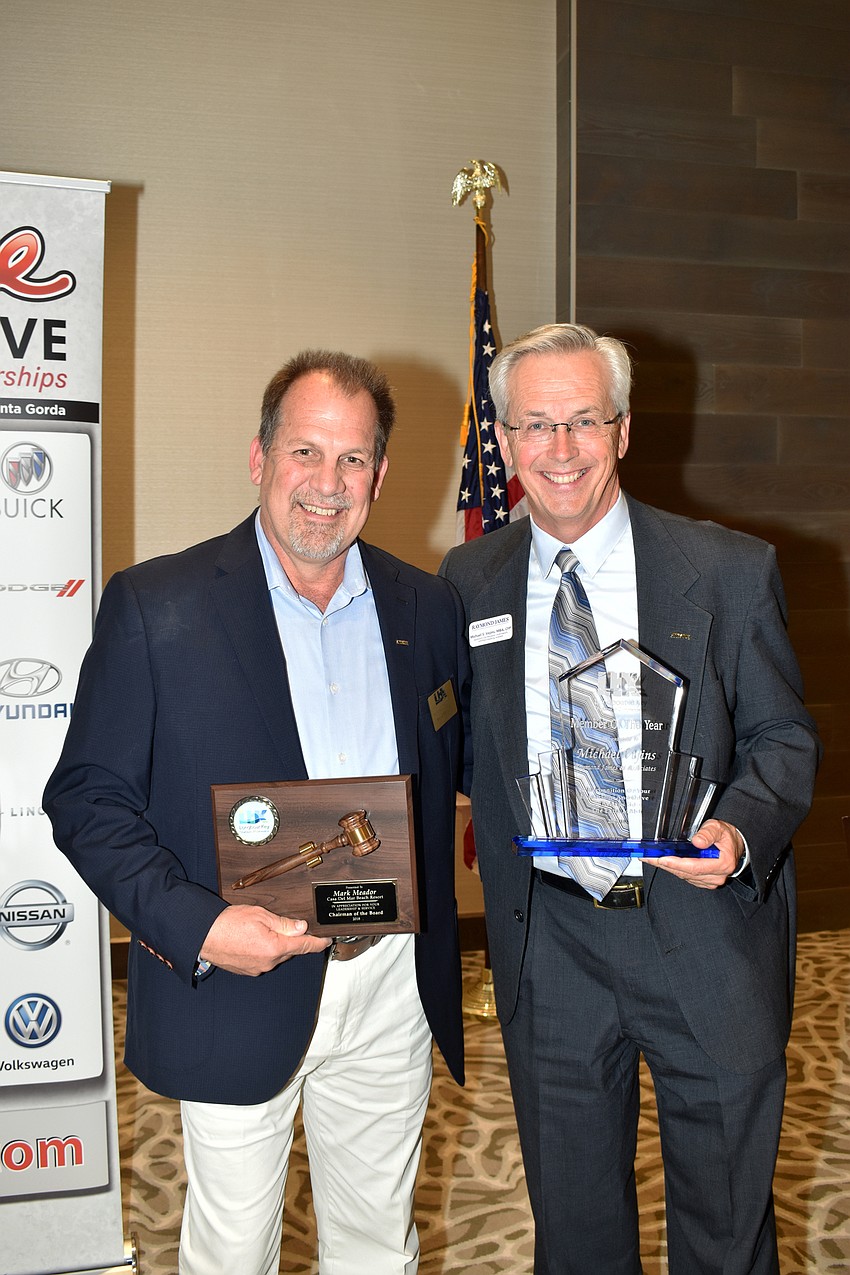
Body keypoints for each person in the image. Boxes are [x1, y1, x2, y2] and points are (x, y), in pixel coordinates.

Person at [44, 350, 470, 1275]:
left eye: (353, 459)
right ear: (258, 458)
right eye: (304, 452)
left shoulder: (426, 607)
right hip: (242, 975)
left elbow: (457, 765)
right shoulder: (158, 606)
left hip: (389, 982)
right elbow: (86, 799)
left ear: (382, 474)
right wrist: (203, 927)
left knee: (376, 1245)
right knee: (234, 1251)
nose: (327, 484)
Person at [440, 323, 819, 1275]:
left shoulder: (729, 570)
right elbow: (443, 746)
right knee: (574, 1235)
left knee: (726, 1227)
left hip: (702, 927)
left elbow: (784, 739)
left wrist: (736, 829)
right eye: (535, 426)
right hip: (552, 943)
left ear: (622, 430)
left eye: (582, 422)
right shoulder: (467, 579)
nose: (559, 451)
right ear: (504, 439)